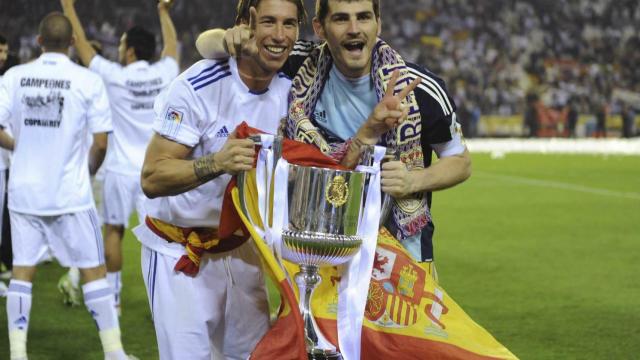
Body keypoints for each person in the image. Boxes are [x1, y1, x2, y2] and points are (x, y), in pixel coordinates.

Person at [200, 0, 471, 266]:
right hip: (320, 252)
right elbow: (205, 45)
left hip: (401, 257)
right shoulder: (300, 65)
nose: (354, 28)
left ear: (378, 24)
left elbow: (460, 162)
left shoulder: (418, 88)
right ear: (320, 28)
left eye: (364, 17)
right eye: (341, 19)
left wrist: (413, 181)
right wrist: (227, 39)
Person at [134, 0, 305, 358]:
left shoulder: (296, 85)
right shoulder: (197, 85)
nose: (279, 35)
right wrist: (216, 162)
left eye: (289, 24)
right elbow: (152, 176)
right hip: (180, 251)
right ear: (243, 25)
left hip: (241, 250)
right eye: (269, 22)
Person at [0, 12, 135, 360]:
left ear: (39, 41)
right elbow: (101, 144)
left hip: (24, 193)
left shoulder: (15, 77)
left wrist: (22, 146)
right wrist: (87, 172)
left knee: (21, 273)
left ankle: (17, 354)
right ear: (73, 42)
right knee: (93, 272)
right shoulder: (87, 81)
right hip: (71, 193)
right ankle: (114, 352)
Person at [60, 0, 180, 313]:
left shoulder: (114, 76)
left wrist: (69, 8)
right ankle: (164, 303)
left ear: (129, 51)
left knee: (113, 231)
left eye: (122, 45)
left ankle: (113, 299)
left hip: (119, 169)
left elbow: (84, 49)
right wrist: (163, 13)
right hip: (155, 170)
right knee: (161, 238)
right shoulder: (165, 73)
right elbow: (172, 49)